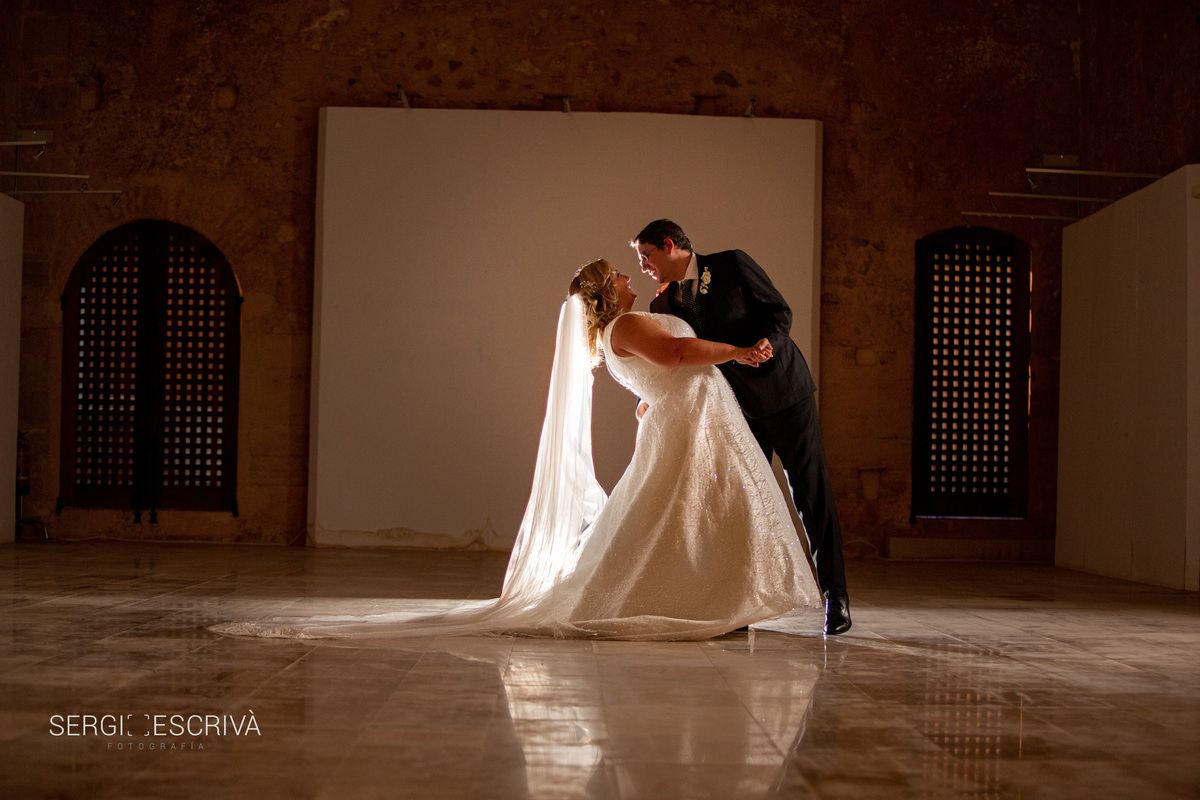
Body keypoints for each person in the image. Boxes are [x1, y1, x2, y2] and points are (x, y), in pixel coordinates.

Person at [212, 259, 820, 641]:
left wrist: (657, 396)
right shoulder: (627, 326)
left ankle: (713, 598)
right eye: (619, 278)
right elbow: (679, 356)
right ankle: (682, 600)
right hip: (688, 426)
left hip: (689, 423)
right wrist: (739, 352)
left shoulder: (610, 337)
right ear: (607, 295)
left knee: (677, 517)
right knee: (670, 518)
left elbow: (658, 376)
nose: (630, 281)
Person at [631, 219, 852, 635]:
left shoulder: (731, 264)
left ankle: (835, 599)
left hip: (785, 394)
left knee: (810, 494)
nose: (643, 266)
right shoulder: (662, 308)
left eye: (646, 255)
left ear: (669, 245)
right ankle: (737, 606)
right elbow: (682, 358)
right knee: (738, 503)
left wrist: (769, 344)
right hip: (734, 411)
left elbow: (778, 312)